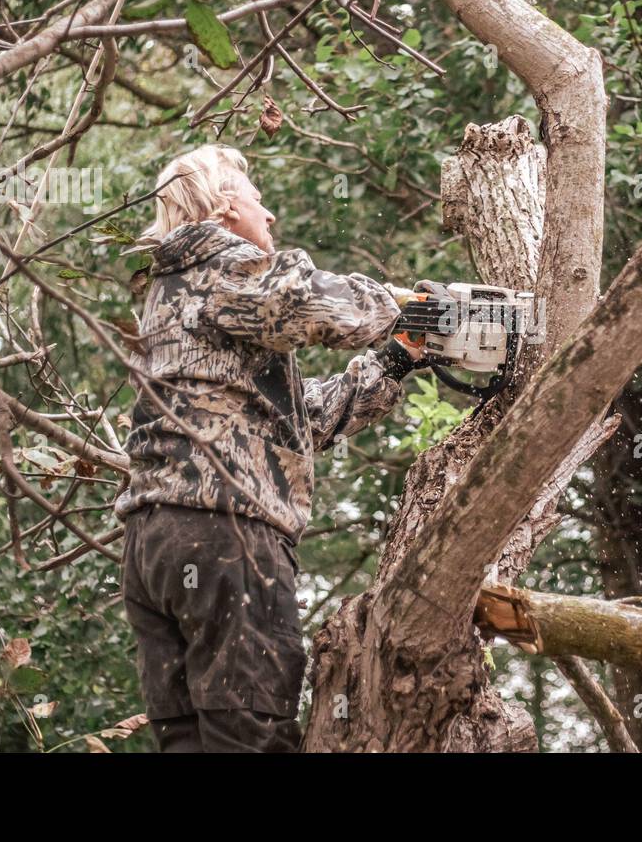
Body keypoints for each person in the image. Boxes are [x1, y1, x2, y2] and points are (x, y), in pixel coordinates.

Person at [113, 144, 430, 752]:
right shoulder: (220, 263)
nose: (271, 217)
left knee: (189, 742)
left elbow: (289, 420)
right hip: (224, 532)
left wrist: (394, 362)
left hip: (153, 545)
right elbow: (307, 299)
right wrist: (423, 307)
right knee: (250, 732)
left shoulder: (171, 291)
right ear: (226, 205)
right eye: (259, 200)